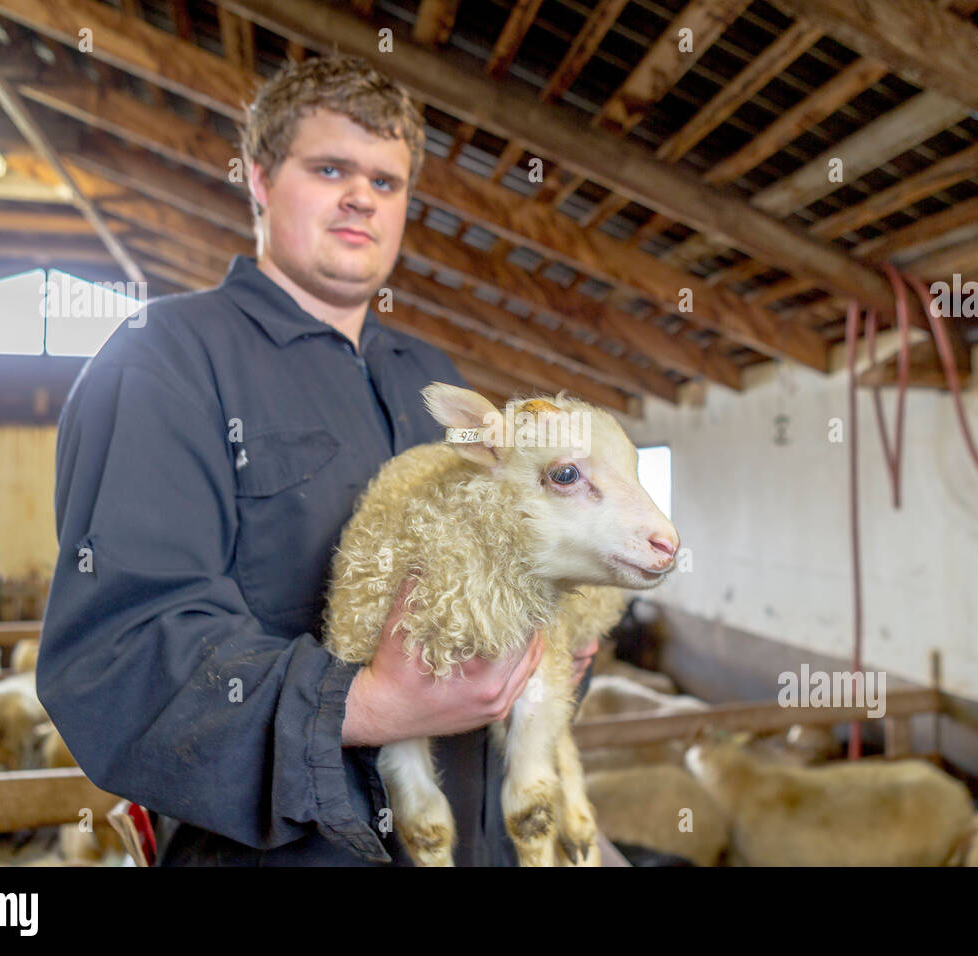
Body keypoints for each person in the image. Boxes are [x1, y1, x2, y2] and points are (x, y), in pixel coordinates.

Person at [39, 53, 600, 866]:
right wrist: (366, 703)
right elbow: (122, 650)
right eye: (330, 167)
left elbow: (511, 559)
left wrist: (550, 651)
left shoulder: (436, 383)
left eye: (386, 181)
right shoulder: (163, 360)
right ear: (261, 179)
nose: (361, 198)